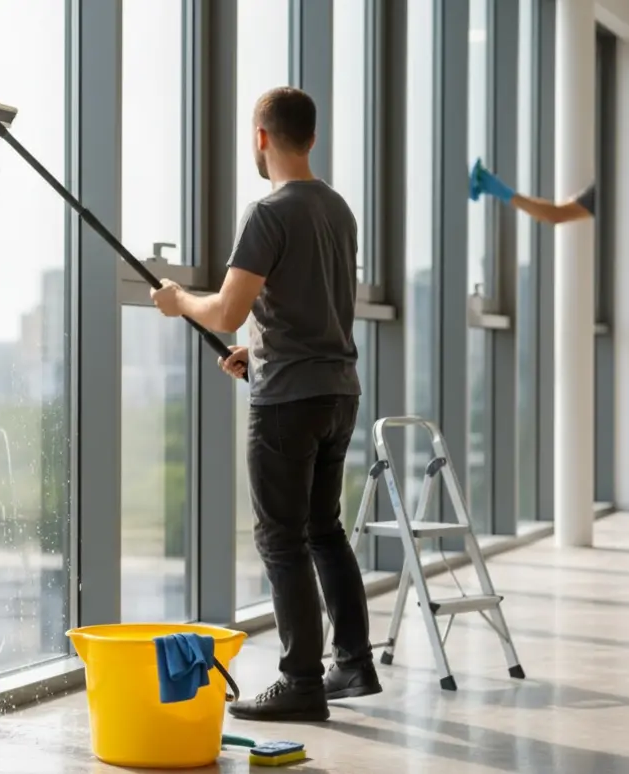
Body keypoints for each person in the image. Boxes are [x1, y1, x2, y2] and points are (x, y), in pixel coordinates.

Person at [150, 86, 378, 723]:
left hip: (289, 402)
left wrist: (177, 301)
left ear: (261, 137)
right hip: (337, 391)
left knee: (280, 540)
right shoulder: (338, 210)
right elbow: (312, 308)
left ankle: (301, 680)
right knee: (323, 530)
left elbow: (225, 309)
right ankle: (353, 663)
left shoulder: (267, 212)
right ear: (310, 137)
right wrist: (259, 352)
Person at [469, 159, 595, 223]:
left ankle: (487, 183)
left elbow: (556, 214)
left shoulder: (605, 190)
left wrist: (504, 193)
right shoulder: (606, 188)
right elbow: (556, 214)